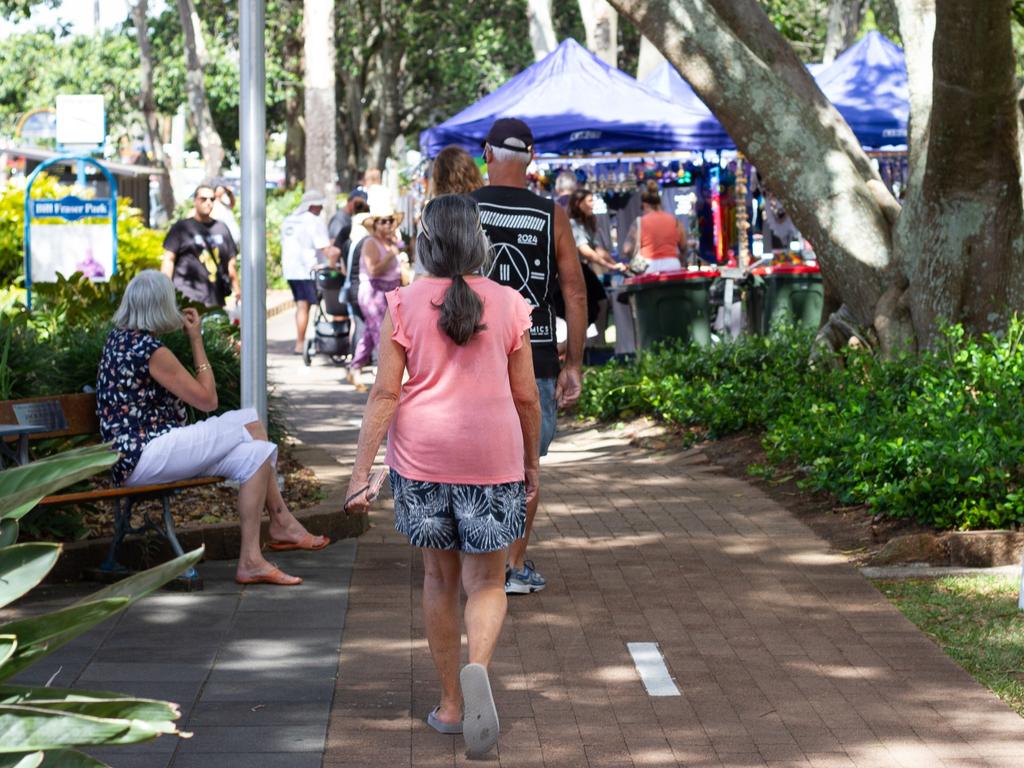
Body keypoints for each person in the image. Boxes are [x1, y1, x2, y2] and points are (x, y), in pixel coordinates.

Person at [344, 195, 539, 757]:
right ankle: (478, 669)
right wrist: (530, 464)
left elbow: (385, 393)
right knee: (487, 581)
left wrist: (362, 470)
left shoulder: (403, 303)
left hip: (423, 459)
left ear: (427, 244)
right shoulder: (507, 302)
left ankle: (452, 704)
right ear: (480, 243)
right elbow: (526, 396)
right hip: (491, 457)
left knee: (439, 579)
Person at [96, 271, 329, 586]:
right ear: (160, 306)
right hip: (145, 454)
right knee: (249, 420)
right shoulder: (150, 350)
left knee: (257, 454)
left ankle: (251, 560)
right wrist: (196, 340)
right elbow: (208, 400)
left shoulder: (120, 340)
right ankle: (281, 520)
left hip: (137, 455)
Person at [470, 118, 587, 595]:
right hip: (533, 359)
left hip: (470, 361)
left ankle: (477, 563)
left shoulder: (461, 209)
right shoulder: (551, 215)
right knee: (524, 469)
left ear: (487, 153)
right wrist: (574, 362)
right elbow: (574, 292)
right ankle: (512, 567)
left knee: (473, 462)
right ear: (533, 157)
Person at [346, 203, 404, 391]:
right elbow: (373, 270)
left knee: (371, 333)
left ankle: (355, 369)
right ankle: (386, 378)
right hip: (373, 291)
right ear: (375, 225)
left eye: (390, 221)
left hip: (391, 291)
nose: (387, 225)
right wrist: (391, 255)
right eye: (382, 221)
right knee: (382, 333)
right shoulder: (370, 242)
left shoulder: (392, 242)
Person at [280, 191, 341, 354]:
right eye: (320, 204)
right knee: (305, 306)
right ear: (313, 205)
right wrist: (336, 257)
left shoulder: (289, 220)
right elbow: (326, 249)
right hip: (308, 270)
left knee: (302, 305)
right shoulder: (313, 221)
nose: (321, 208)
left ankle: (302, 342)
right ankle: (301, 344)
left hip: (290, 270)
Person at [161, 184, 240, 308]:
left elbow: (231, 264)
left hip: (215, 298)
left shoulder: (222, 228)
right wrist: (164, 291)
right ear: (195, 201)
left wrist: (237, 290)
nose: (208, 203)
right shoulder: (181, 228)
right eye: (203, 199)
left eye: (212, 199)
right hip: (187, 298)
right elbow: (168, 259)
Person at [621, 180, 689, 273]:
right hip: (673, 264)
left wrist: (632, 258)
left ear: (644, 205)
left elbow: (627, 249)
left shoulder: (639, 222)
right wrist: (681, 259)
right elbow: (684, 246)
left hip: (649, 267)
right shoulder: (675, 221)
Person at [330, 192, 370, 259]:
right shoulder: (339, 218)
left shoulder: (355, 219)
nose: (360, 206)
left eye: (362, 204)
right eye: (358, 204)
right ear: (350, 201)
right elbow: (334, 244)